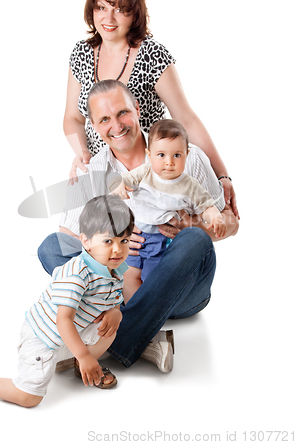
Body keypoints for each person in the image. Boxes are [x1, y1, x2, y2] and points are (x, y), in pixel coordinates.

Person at [38, 80, 239, 372]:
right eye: (105, 119)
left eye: (122, 113)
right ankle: (147, 336)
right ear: (94, 126)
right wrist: (109, 243)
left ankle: (111, 342)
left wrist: (194, 226)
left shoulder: (185, 155)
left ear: (138, 110)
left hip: (180, 290)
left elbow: (231, 223)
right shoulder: (93, 171)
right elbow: (70, 237)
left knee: (195, 239)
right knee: (51, 248)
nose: (116, 126)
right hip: (124, 279)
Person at [63, 0, 239, 218]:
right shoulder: (81, 53)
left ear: (135, 14)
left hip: (150, 171)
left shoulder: (152, 55)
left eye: (120, 9)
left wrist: (221, 174)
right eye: (101, 8)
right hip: (103, 172)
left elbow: (185, 119)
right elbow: (72, 117)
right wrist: (83, 154)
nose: (109, 18)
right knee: (77, 240)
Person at [0, 195, 134, 406]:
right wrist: (84, 355)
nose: (117, 250)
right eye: (108, 241)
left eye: (124, 241)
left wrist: (115, 312)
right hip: (45, 335)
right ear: (86, 241)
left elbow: (114, 298)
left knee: (110, 326)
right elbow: (62, 320)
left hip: (73, 332)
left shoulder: (115, 267)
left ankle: (79, 365)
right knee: (29, 398)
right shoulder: (77, 274)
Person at [112, 119, 227, 302]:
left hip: (162, 239)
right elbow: (124, 179)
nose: (169, 162)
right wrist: (119, 188)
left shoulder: (189, 185)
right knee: (129, 275)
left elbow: (207, 206)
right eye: (161, 155)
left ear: (186, 155)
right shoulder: (146, 171)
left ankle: (150, 310)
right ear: (149, 155)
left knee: (152, 278)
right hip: (137, 236)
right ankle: (134, 311)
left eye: (177, 155)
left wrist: (216, 218)